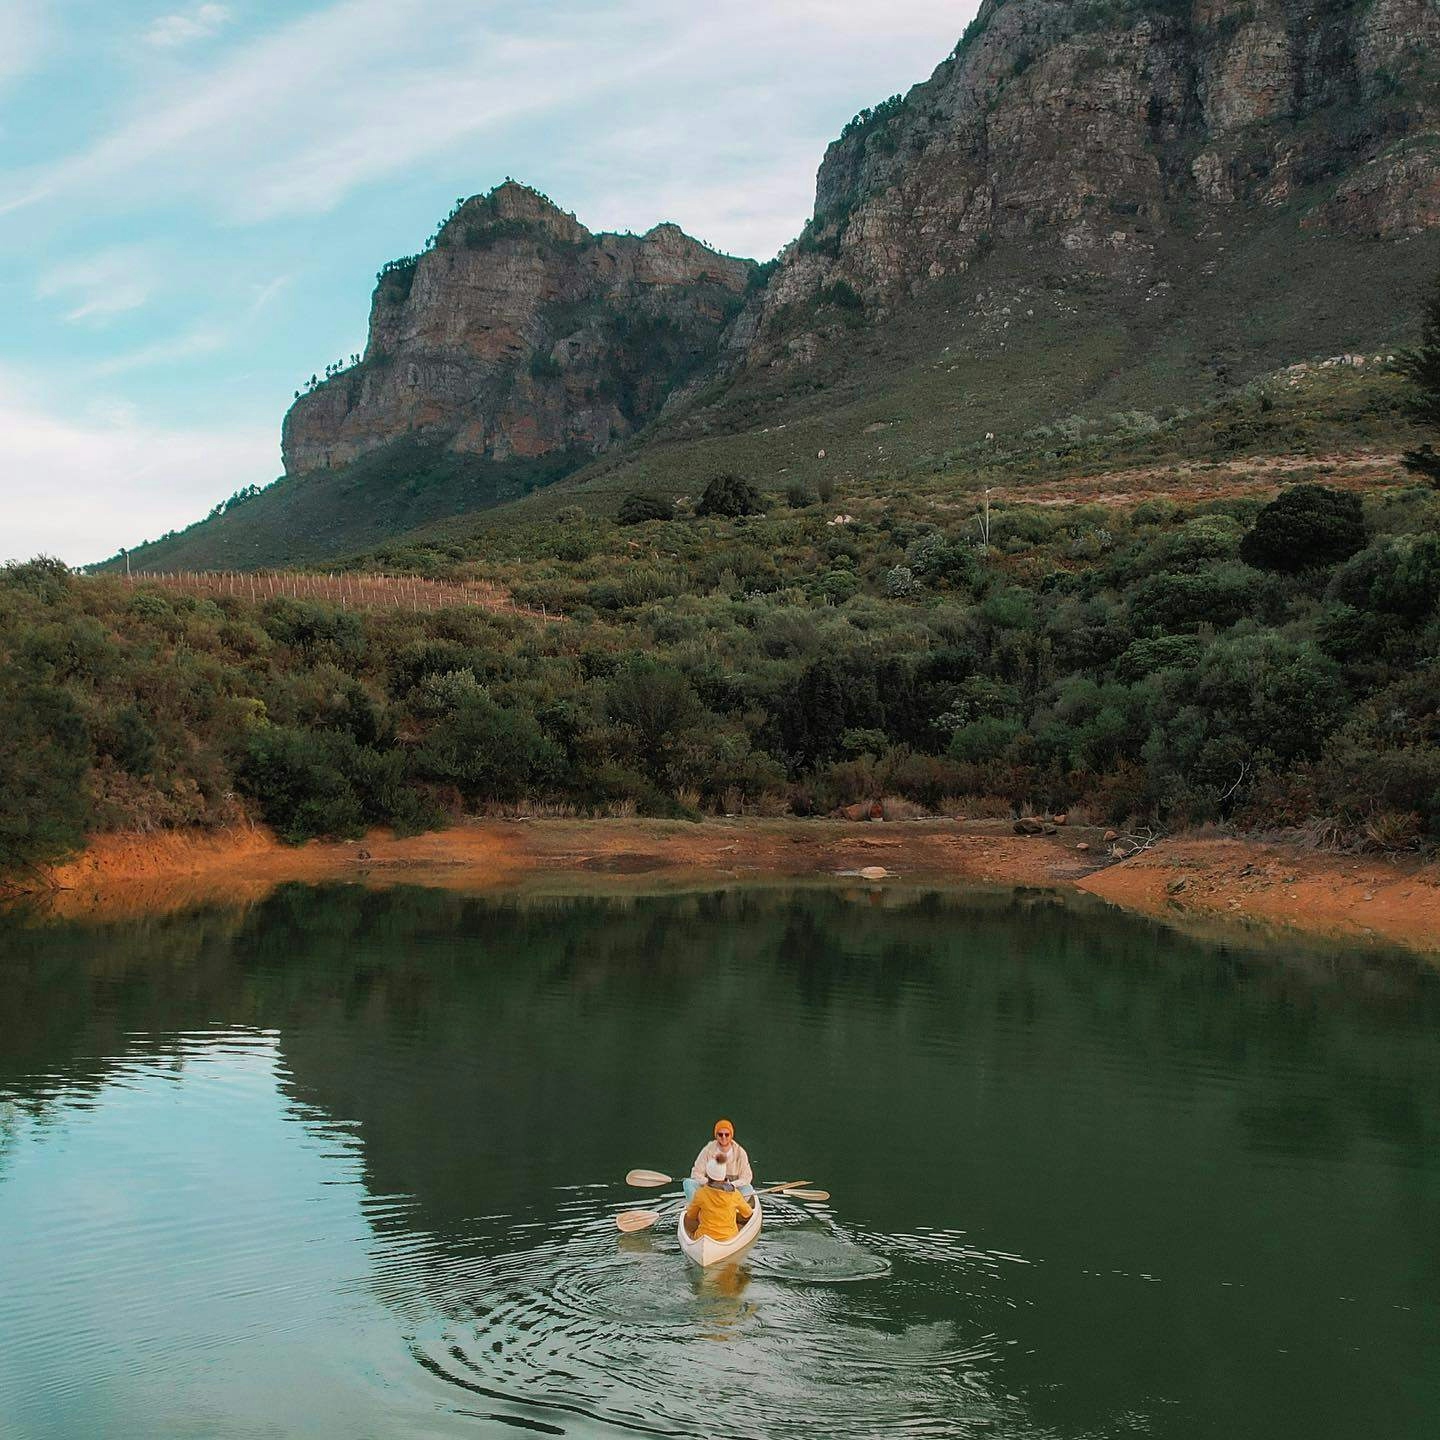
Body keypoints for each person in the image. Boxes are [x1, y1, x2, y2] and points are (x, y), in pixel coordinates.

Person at [683, 1156, 753, 1242]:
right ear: (724, 1175)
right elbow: (748, 1213)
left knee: (689, 1221)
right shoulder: (735, 1194)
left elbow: (691, 1215)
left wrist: (693, 1208)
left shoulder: (700, 1194)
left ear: (708, 1175)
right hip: (729, 1237)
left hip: (703, 1237)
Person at [683, 1118, 753, 1202]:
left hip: (731, 1191)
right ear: (716, 1135)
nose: (723, 1137)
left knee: (748, 1188)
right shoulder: (707, 1150)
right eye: (720, 1134)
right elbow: (696, 1173)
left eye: (727, 1134)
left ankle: (734, 1209)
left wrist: (730, 1185)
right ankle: (695, 1208)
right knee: (688, 1183)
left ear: (731, 1135)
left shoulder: (740, 1152)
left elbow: (746, 1178)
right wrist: (711, 1184)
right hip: (710, 1189)